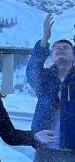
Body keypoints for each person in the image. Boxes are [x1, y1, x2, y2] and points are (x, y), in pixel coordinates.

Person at [26, 13, 75, 162]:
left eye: (65, 47)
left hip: (72, 150)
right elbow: (32, 69)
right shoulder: (44, 79)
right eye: (56, 48)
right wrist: (44, 39)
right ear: (52, 56)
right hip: (44, 149)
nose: (60, 48)